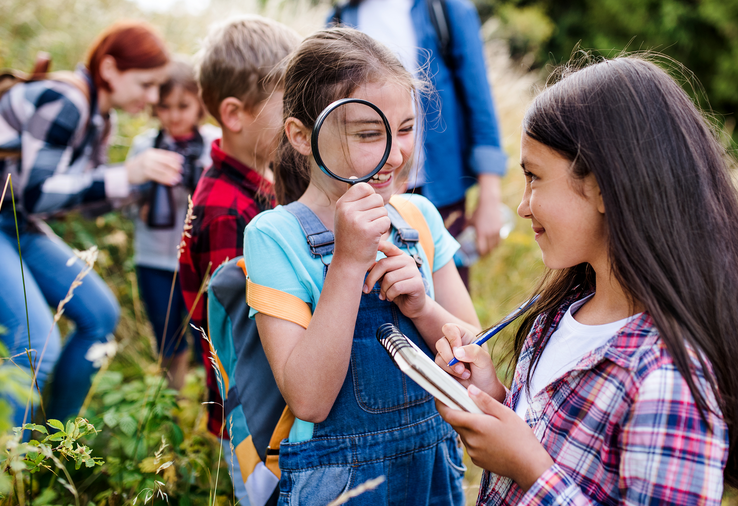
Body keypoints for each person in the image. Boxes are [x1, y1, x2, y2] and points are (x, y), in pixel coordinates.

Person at [435, 56, 738, 505]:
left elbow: (539, 462)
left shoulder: (669, 378)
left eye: (534, 177)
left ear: (600, 186)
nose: (522, 206)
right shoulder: (558, 317)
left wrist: (529, 470)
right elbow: (554, 437)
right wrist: (494, 399)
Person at [243, 28, 480, 506]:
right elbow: (309, 399)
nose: (396, 155)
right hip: (339, 485)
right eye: (370, 134)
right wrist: (347, 263)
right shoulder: (273, 237)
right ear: (301, 137)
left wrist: (422, 307)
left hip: (433, 469)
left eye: (408, 128)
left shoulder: (420, 218)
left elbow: (472, 361)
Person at [0, 21, 176, 427]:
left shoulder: (101, 120)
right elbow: (38, 194)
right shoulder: (67, 100)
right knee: (33, 342)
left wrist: (140, 187)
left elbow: (77, 202)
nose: (152, 98)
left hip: (15, 221)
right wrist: (125, 174)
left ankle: (52, 443)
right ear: (111, 69)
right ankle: (1, 471)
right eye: (146, 84)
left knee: (100, 314)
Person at [177, 15, 300, 506]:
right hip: (255, 420)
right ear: (235, 114)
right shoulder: (227, 210)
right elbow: (245, 336)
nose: (300, 122)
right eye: (288, 107)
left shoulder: (253, 183)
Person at [329, 0, 507, 288]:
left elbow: (479, 101)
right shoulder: (341, 16)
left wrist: (490, 195)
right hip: (369, 186)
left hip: (441, 193)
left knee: (447, 292)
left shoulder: (446, 10)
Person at [126, 59, 219, 391]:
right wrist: (145, 203)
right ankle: (171, 407)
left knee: (208, 343)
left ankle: (212, 413)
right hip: (154, 258)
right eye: (164, 107)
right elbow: (125, 202)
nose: (175, 115)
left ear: (199, 105)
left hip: (200, 260)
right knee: (167, 338)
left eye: (183, 106)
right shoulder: (145, 146)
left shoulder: (213, 144)